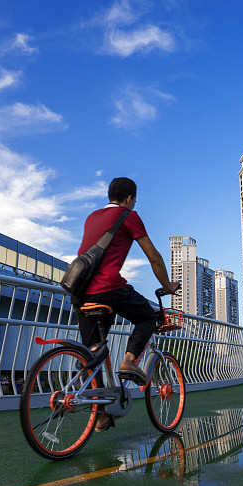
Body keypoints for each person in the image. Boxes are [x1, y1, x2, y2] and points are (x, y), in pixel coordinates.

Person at [73, 177, 180, 432]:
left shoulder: (92, 217)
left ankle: (99, 416)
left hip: (80, 292)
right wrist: (167, 286)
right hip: (108, 288)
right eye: (134, 200)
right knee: (147, 316)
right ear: (130, 199)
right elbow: (153, 256)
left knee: (92, 354)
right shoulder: (129, 215)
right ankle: (130, 360)